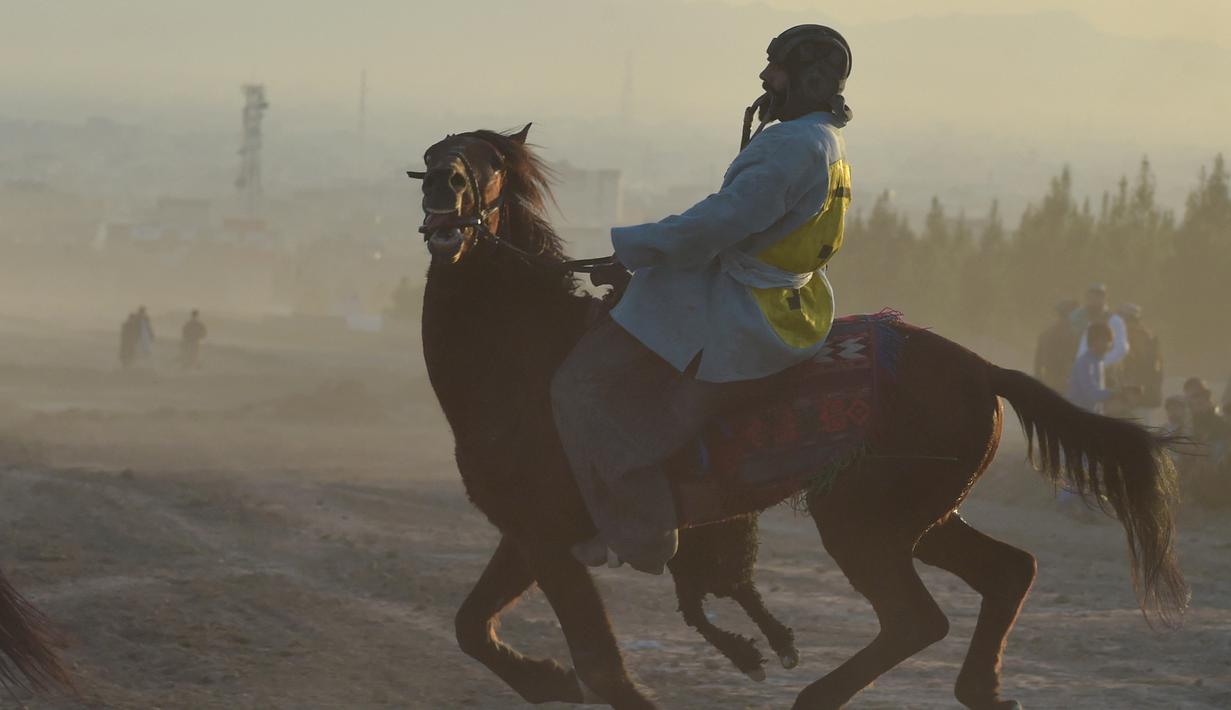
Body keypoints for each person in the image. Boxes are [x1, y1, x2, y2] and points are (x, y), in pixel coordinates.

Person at [552, 24, 854, 573]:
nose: (765, 78)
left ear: (807, 79)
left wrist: (631, 247)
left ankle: (640, 530)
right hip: (789, 300)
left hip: (744, 308)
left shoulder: (790, 145)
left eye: (775, 69)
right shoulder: (825, 139)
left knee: (578, 384)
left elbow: (715, 226)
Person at [1068, 322, 1137, 414]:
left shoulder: (1098, 362)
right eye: (1106, 341)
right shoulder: (1085, 363)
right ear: (1094, 341)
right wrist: (1115, 393)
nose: (1109, 346)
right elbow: (1092, 394)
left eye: (1110, 342)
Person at [1113, 303, 1162, 421]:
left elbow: (1141, 368)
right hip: (1140, 395)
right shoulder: (1146, 335)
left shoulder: (1137, 336)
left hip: (1136, 395)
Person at [1070, 283, 1129, 368]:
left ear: (1104, 299)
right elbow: (1083, 347)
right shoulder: (1085, 320)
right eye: (1091, 297)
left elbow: (1121, 348)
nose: (1093, 301)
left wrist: (1101, 363)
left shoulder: (1115, 320)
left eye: (1097, 297)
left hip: (1108, 371)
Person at [1034, 299, 1079, 393]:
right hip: (1063, 380)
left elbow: (1038, 363)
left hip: (1051, 379)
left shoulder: (1046, 334)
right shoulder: (1073, 335)